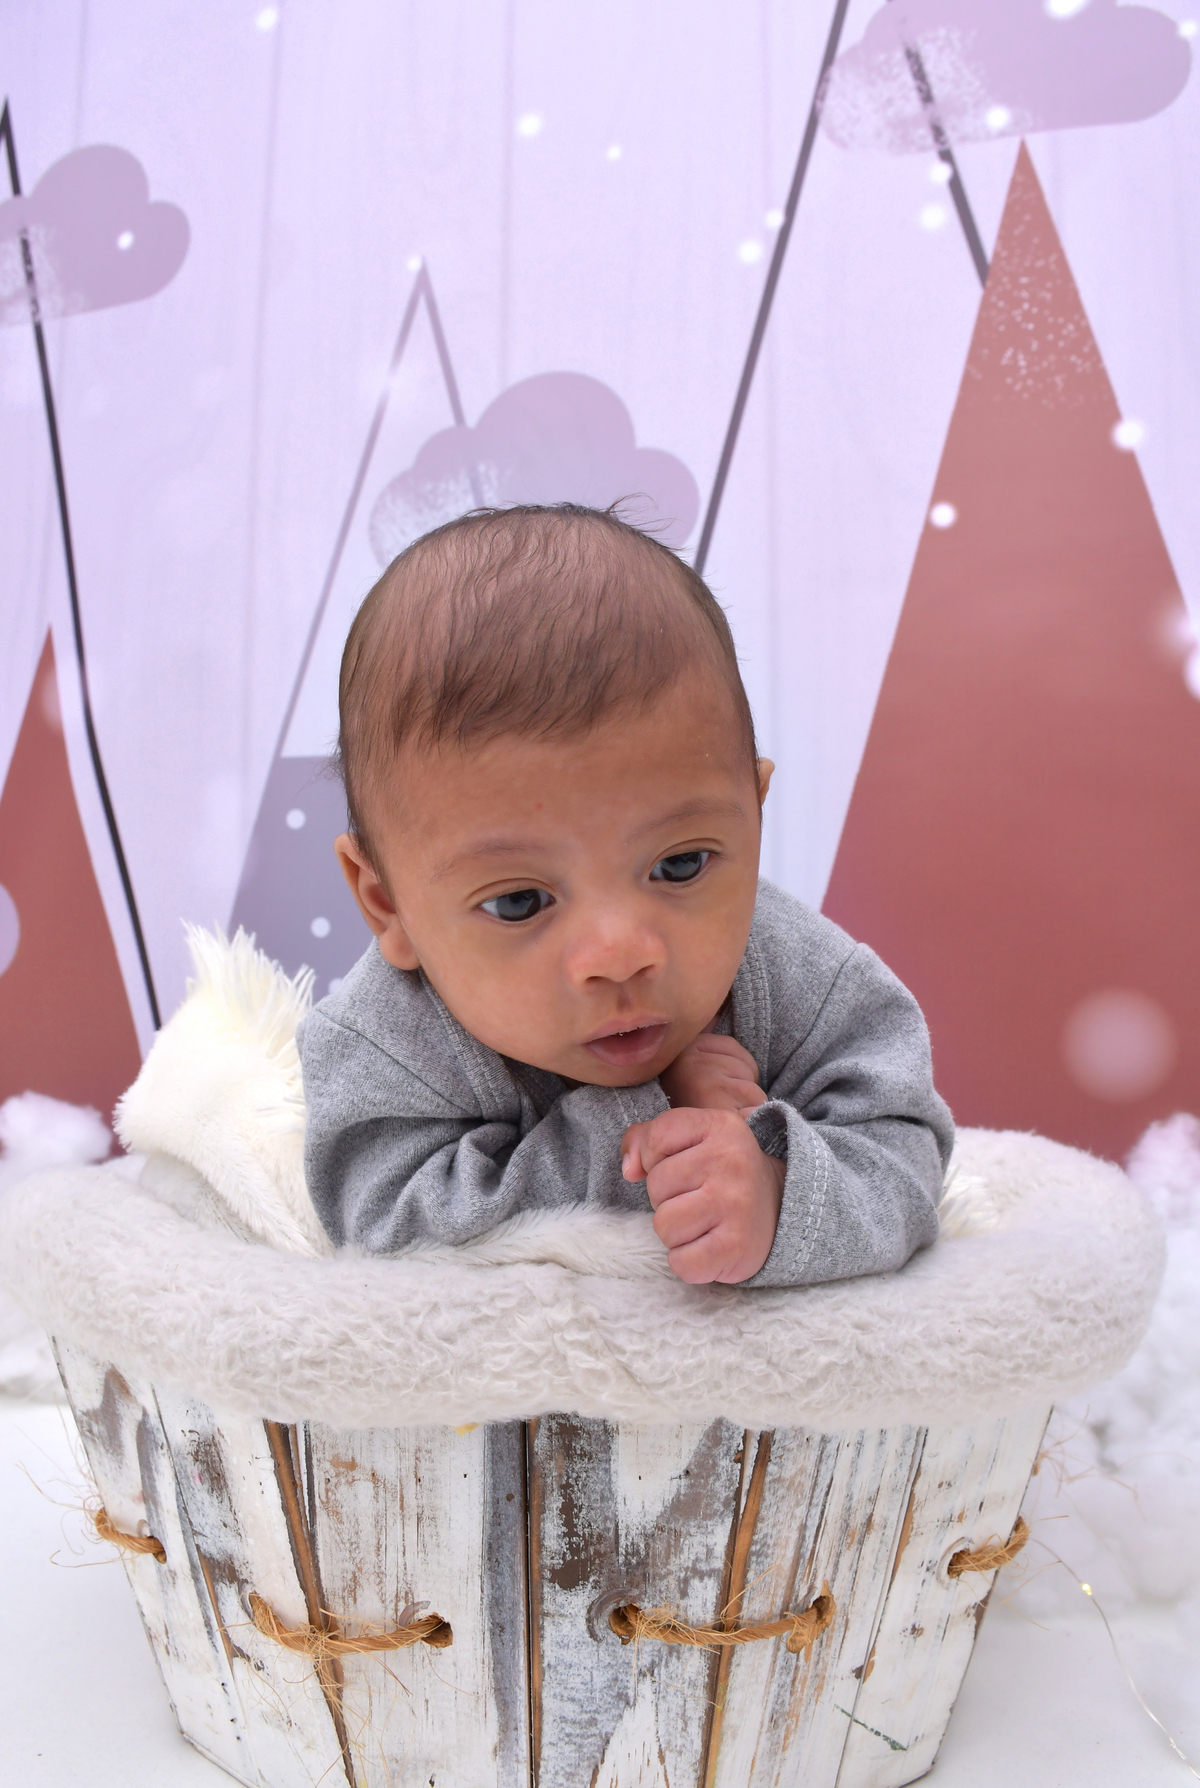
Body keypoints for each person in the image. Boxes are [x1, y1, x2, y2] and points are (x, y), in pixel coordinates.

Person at [298, 503, 953, 1286]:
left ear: (753, 813)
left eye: (679, 865)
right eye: (519, 902)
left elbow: (903, 1155)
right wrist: (649, 1120)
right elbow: (383, 1222)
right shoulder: (388, 1040)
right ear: (387, 904)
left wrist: (779, 1190)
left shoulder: (802, 978)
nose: (619, 955)